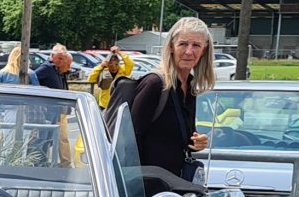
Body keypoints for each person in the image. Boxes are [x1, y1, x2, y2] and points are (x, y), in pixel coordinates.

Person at [130, 16, 214, 180]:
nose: (189, 51)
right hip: (148, 186)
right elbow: (130, 139)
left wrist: (197, 142)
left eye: (196, 45)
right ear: (171, 47)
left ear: (204, 50)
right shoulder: (155, 84)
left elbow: (177, 135)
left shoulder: (189, 86)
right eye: (183, 44)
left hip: (176, 182)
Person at [86, 45, 134, 109]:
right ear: (108, 65)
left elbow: (130, 64)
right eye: (111, 65)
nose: (114, 67)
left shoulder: (123, 71)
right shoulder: (103, 71)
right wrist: (101, 66)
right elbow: (90, 79)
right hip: (104, 105)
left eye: (116, 64)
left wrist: (119, 52)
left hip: (119, 104)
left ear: (119, 63)